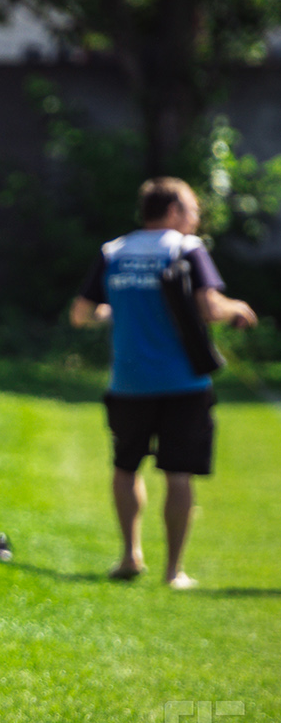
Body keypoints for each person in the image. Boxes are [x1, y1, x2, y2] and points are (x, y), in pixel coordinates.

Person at [70, 177, 257, 588]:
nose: (197, 217)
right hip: (183, 382)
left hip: (128, 382)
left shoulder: (113, 251)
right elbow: (210, 307)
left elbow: (81, 314)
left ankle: (129, 555)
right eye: (193, 209)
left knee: (125, 467)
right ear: (173, 211)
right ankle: (174, 572)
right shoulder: (186, 247)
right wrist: (237, 309)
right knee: (178, 474)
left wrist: (116, 312)